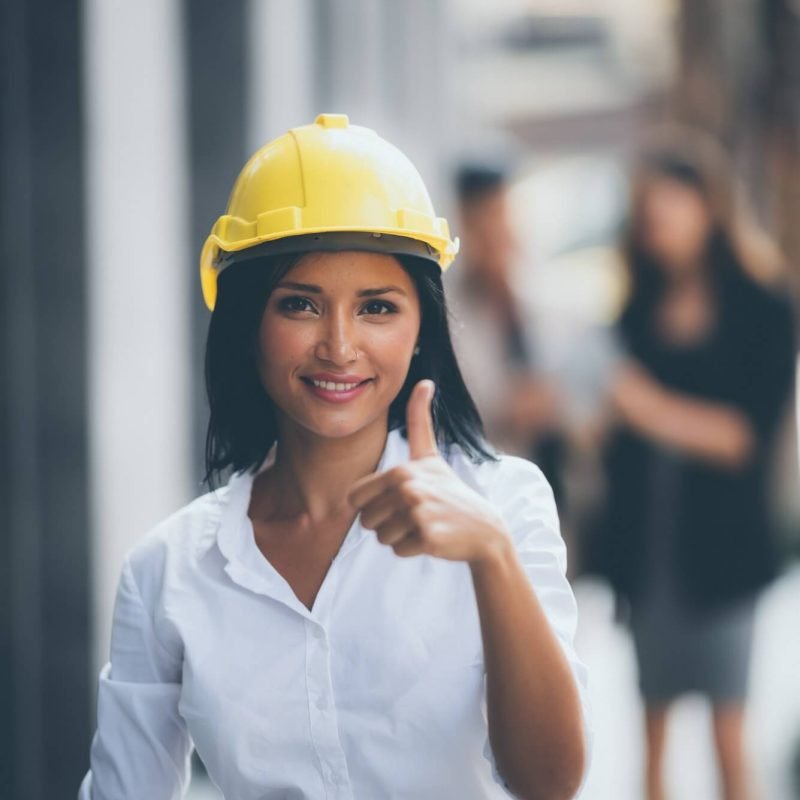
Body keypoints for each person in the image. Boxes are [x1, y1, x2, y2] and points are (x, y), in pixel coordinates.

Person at [78, 114, 591, 800]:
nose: (340, 346)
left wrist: (490, 555)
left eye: (377, 308)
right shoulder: (167, 571)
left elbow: (550, 782)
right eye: (300, 305)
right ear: (246, 325)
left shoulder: (504, 504)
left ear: (420, 331)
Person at [584, 128, 797, 800]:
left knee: (731, 740)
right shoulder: (636, 310)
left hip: (726, 552)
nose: (658, 229)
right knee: (650, 733)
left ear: (709, 208)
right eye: (647, 217)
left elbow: (743, 438)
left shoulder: (764, 307)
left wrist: (641, 405)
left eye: (670, 210)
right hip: (649, 551)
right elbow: (608, 429)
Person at [446, 161, 568, 508]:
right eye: (482, 223)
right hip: (483, 492)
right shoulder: (448, 308)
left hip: (554, 488)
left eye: (501, 218)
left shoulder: (545, 296)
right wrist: (506, 409)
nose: (496, 235)